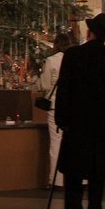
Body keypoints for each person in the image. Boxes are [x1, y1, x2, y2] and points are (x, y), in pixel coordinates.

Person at [54, 12, 105, 209]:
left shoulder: (74, 55)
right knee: (97, 172)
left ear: (89, 32)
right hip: (102, 123)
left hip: (77, 121)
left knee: (74, 172)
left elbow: (64, 89)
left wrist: (61, 118)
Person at [40, 32, 72, 187]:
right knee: (74, 142)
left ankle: (56, 180)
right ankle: (81, 178)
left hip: (55, 105)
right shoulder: (74, 60)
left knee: (56, 143)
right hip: (71, 106)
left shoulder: (51, 61)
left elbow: (45, 85)